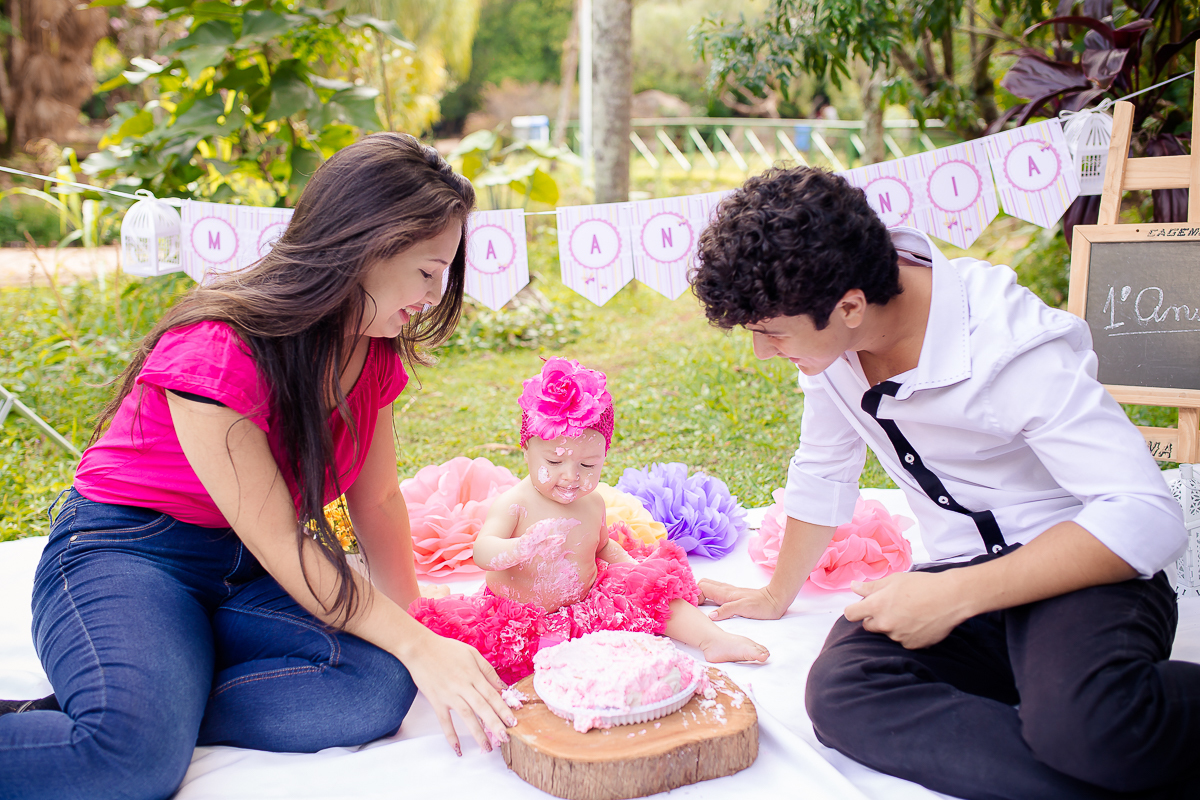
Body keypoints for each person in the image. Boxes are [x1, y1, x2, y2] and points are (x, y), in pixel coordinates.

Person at [0, 133, 517, 800]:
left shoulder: (372, 350)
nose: (433, 293)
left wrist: (417, 629)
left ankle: (152, 700)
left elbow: (380, 500)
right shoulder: (218, 353)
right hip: (131, 553)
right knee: (128, 761)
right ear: (366, 244)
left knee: (374, 685)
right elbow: (284, 541)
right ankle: (136, 716)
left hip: (247, 570)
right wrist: (420, 647)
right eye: (426, 270)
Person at [690, 166, 1200, 799]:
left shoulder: (1011, 344)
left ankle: (1086, 731)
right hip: (962, 577)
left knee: (1090, 724)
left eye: (770, 332)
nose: (764, 352)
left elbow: (1145, 513)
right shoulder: (828, 344)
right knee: (843, 695)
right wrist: (774, 594)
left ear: (849, 306)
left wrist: (957, 594)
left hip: (1079, 568)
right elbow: (825, 466)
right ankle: (1088, 772)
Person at [410, 357, 769, 682]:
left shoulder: (592, 502)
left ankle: (714, 638)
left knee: (656, 596)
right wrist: (520, 547)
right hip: (519, 619)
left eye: (587, 466)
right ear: (527, 452)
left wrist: (634, 572)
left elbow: (602, 547)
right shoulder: (515, 503)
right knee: (495, 661)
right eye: (553, 463)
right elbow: (483, 552)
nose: (570, 476)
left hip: (586, 602)